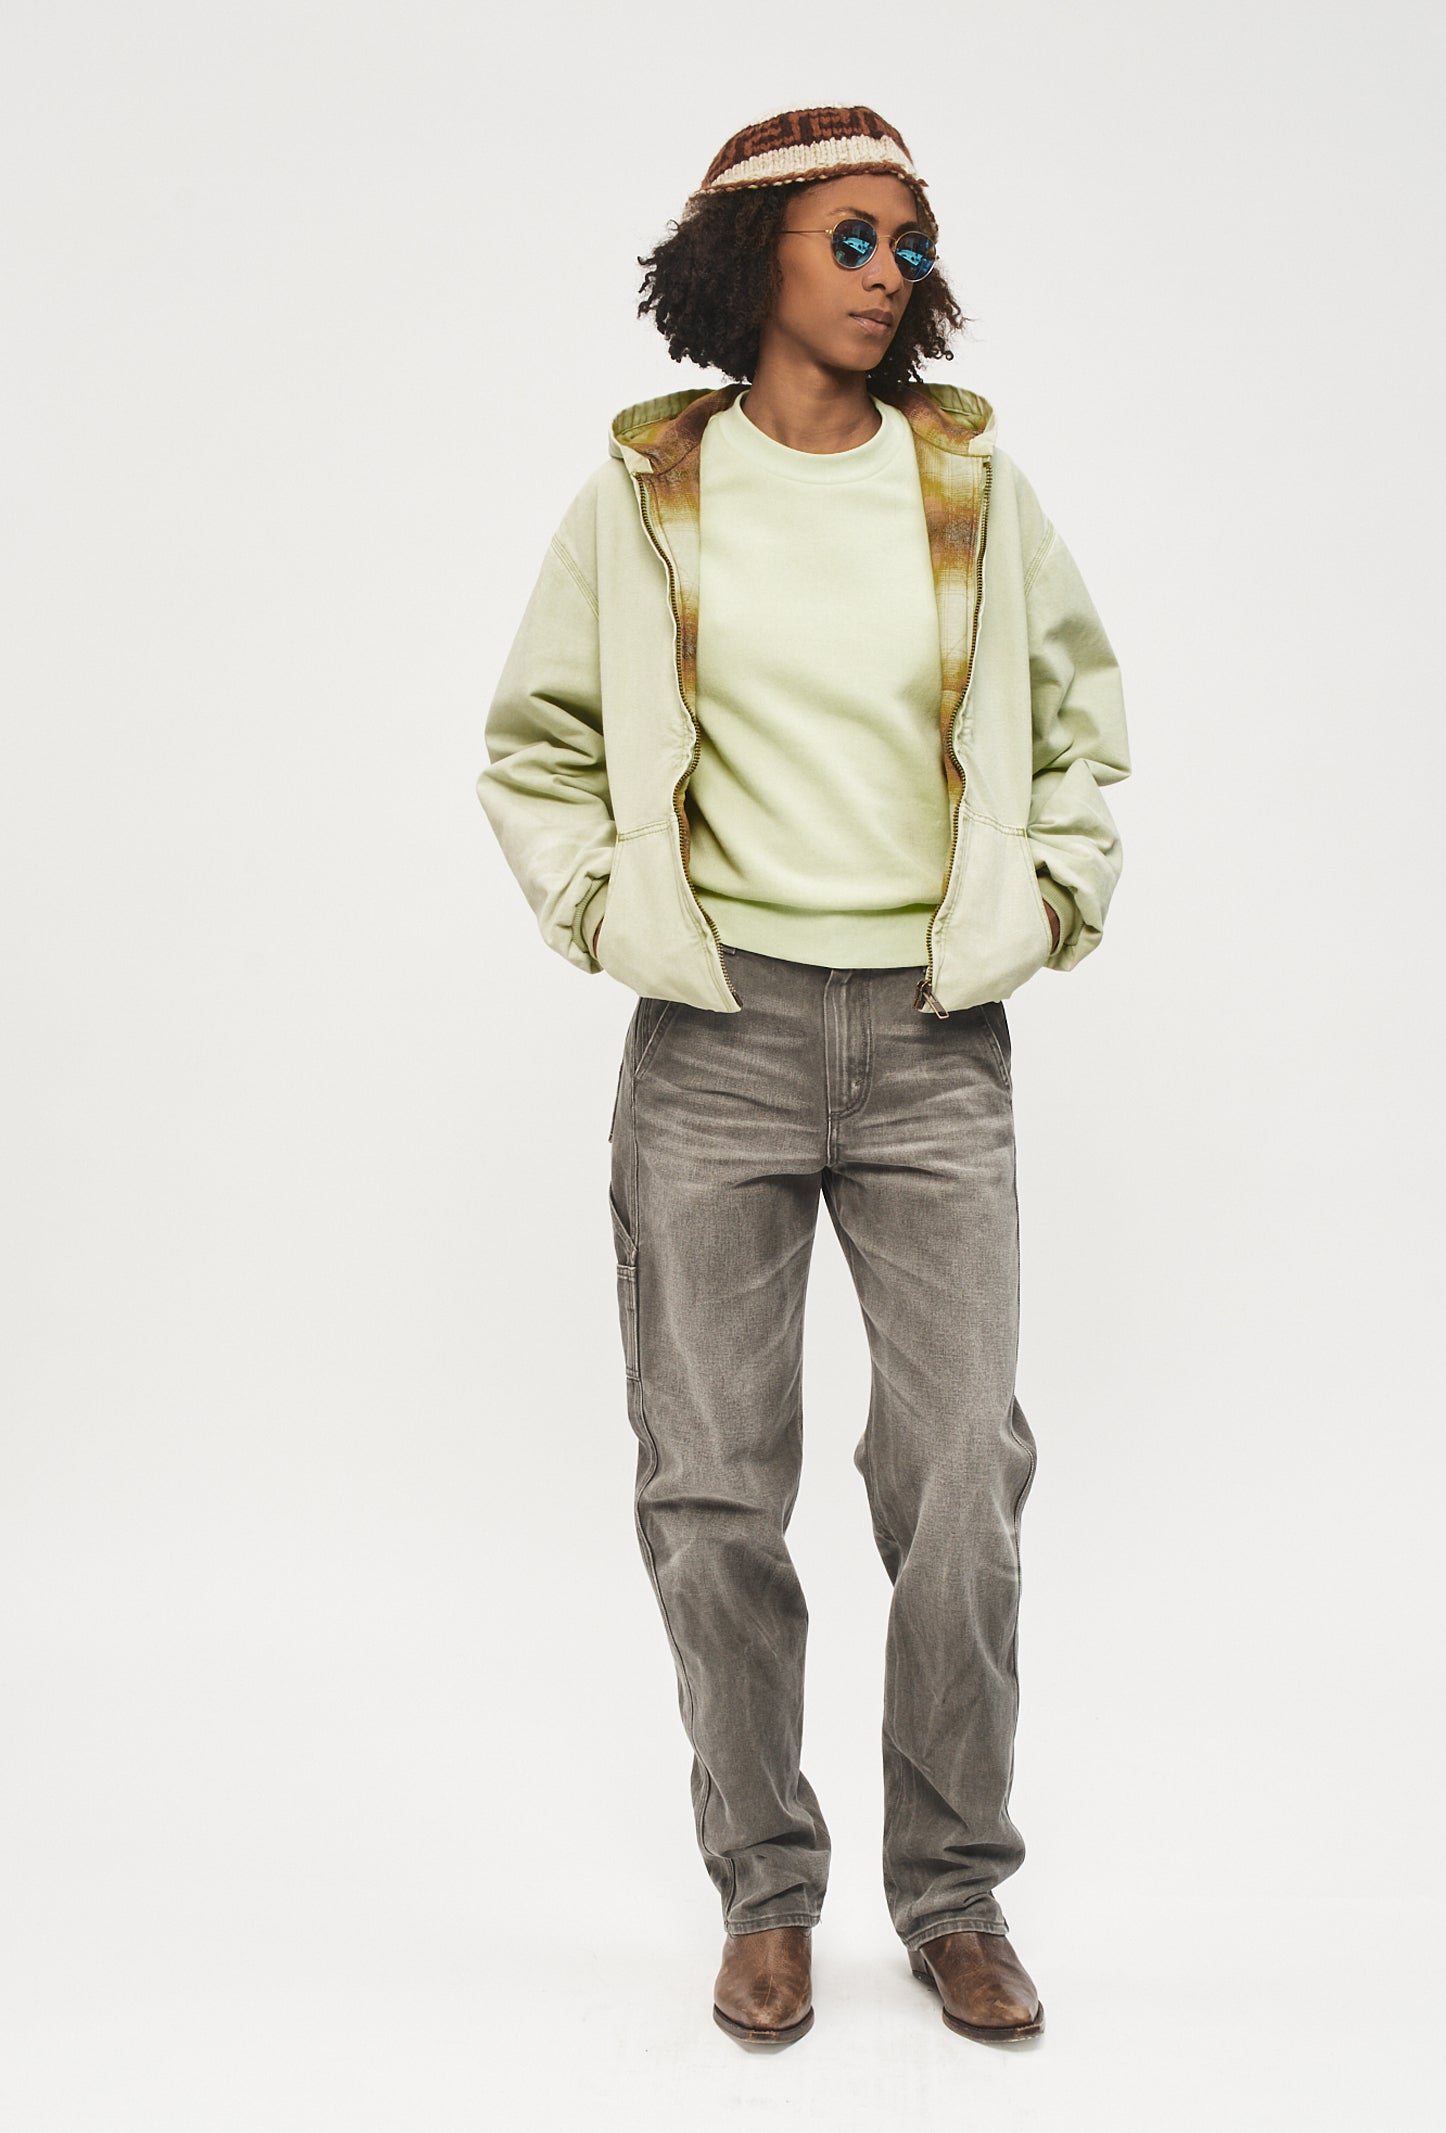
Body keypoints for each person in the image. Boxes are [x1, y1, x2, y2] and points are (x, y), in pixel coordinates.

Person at [476, 103, 1130, 2047]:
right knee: (708, 1486)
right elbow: (535, 741)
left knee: (960, 1478)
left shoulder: (970, 486)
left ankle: (953, 1892)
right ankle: (765, 1887)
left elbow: (1079, 721)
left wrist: (1053, 893)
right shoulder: (646, 493)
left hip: (931, 1040)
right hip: (717, 1040)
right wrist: (604, 909)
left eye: (910, 247)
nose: (886, 276)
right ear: (748, 251)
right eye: (851, 238)